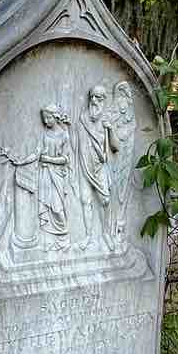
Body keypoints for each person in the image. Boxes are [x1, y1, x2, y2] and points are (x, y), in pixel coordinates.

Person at [75, 85, 111, 250]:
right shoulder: (82, 120)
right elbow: (78, 146)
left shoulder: (106, 121)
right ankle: (88, 236)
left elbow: (114, 147)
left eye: (99, 98)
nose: (94, 101)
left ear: (104, 101)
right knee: (85, 200)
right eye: (92, 97)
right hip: (85, 166)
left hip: (100, 167)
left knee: (105, 200)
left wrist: (110, 131)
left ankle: (106, 234)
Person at [104, 81, 136, 251]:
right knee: (112, 195)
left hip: (123, 166)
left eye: (123, 100)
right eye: (118, 100)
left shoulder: (129, 123)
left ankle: (118, 231)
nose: (120, 104)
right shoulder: (114, 115)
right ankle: (110, 232)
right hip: (113, 165)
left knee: (121, 196)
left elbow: (117, 144)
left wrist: (111, 129)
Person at [37, 105, 72, 252]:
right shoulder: (45, 134)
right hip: (45, 175)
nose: (45, 121)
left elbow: (65, 159)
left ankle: (65, 239)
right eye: (44, 118)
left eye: (48, 117)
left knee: (57, 208)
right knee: (48, 208)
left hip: (57, 175)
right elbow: (39, 152)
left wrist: (49, 159)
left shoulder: (64, 135)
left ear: (56, 117)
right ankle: (52, 241)